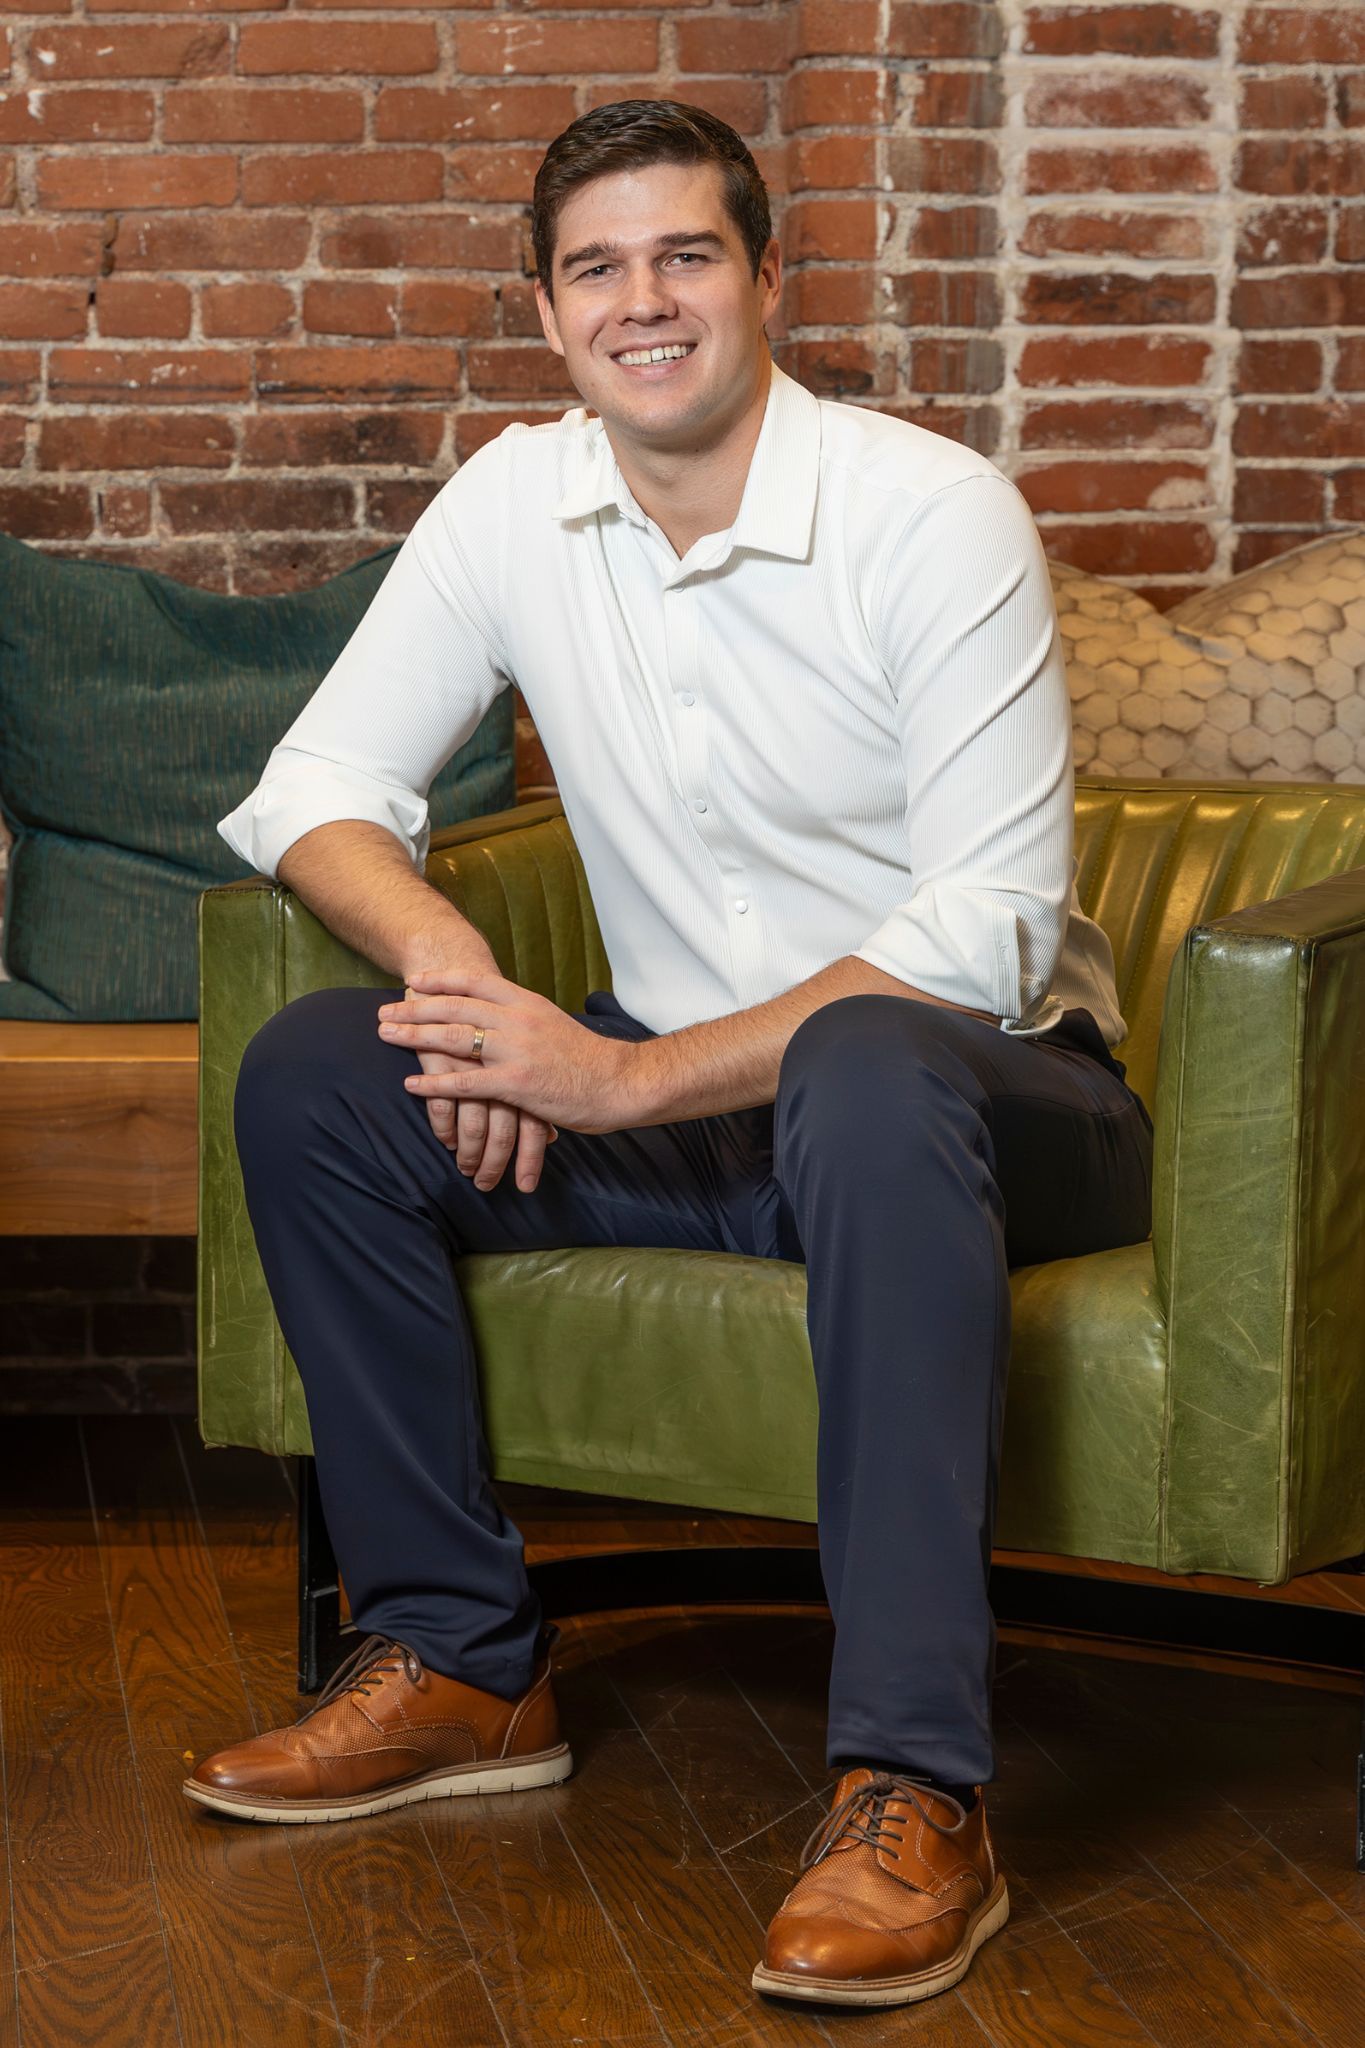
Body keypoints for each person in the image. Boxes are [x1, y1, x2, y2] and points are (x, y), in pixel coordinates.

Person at [187, 100, 1152, 2010]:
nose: (643, 303)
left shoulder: (927, 509)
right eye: (596, 269)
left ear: (767, 279)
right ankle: (461, 1659)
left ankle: (915, 1786)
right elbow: (314, 788)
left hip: (989, 1104)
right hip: (715, 1113)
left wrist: (612, 1082)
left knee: (864, 1060)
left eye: (685, 255)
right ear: (549, 313)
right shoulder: (514, 504)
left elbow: (980, 935)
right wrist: (458, 971)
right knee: (320, 1075)